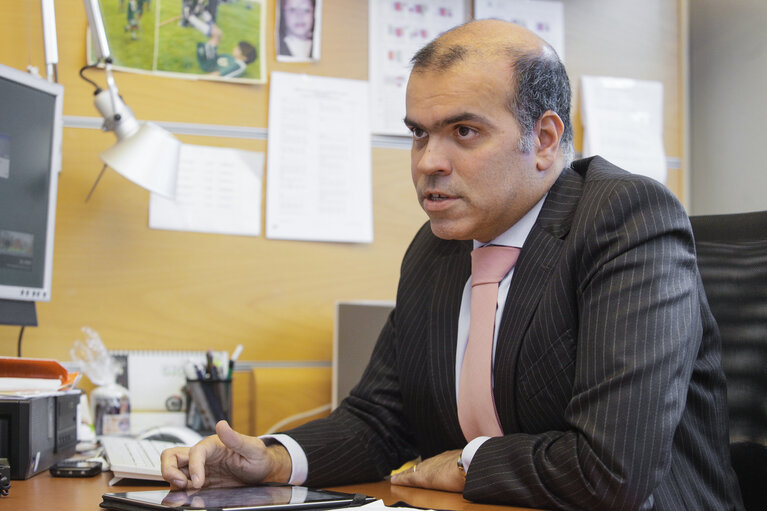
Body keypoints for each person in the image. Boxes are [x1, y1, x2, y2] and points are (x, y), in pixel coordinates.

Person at [161, 19, 745, 510]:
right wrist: (269, 458)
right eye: (419, 134)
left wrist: (469, 463)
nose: (427, 163)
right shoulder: (435, 248)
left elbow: (613, 468)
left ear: (544, 139)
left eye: (463, 132)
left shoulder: (624, 219)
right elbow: (380, 420)